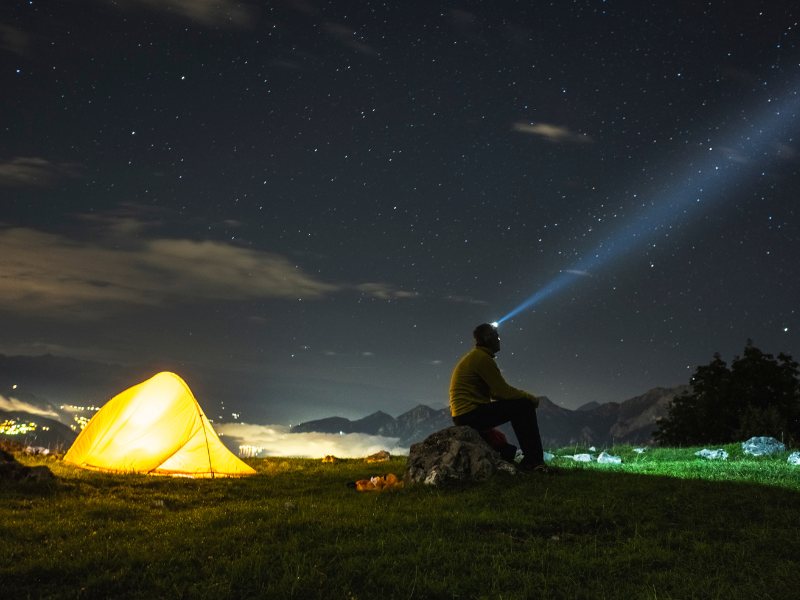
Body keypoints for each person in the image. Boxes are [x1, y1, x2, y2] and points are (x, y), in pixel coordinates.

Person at [449, 323, 551, 473]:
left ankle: (530, 459)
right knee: (524, 406)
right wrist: (530, 398)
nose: (499, 340)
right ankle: (535, 462)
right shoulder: (483, 359)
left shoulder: (477, 357)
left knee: (519, 405)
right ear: (488, 339)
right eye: (497, 337)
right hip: (471, 415)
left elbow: (494, 393)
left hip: (464, 416)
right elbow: (504, 392)